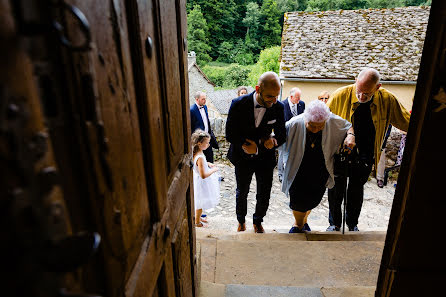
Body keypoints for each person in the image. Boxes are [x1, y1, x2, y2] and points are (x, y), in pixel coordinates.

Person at [326, 68, 411, 232]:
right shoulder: (340, 95)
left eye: (367, 93)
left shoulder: (387, 99)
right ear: (355, 80)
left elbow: (406, 121)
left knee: (356, 191)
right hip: (340, 153)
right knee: (336, 189)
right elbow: (324, 120)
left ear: (377, 87)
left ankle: (352, 225)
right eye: (359, 91)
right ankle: (334, 224)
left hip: (366, 154)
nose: (362, 96)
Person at [226, 72, 286, 233]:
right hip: (242, 157)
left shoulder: (279, 107)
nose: (274, 101)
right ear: (258, 89)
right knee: (242, 191)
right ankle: (241, 220)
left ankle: (258, 221)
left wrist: (271, 140)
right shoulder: (238, 103)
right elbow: (230, 134)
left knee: (264, 192)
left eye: (276, 96)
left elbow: (282, 136)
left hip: (265, 159)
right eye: (270, 96)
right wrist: (249, 145)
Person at [282, 100, 354, 233]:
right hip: (299, 168)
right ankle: (297, 224)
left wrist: (350, 136)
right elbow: (280, 138)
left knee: (313, 199)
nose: (315, 130)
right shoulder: (294, 123)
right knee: (298, 200)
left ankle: (303, 221)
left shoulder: (331, 120)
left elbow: (348, 126)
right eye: (312, 126)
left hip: (320, 167)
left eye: (320, 126)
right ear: (305, 119)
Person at [191, 129, 220, 227]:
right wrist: (213, 170)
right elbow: (203, 175)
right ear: (199, 144)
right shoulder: (200, 156)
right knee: (200, 201)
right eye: (207, 143)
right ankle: (197, 222)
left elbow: (199, 165)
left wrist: (207, 164)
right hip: (201, 182)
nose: (208, 145)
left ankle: (198, 217)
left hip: (197, 179)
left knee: (200, 200)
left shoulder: (196, 153)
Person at [278, 87, 306, 182]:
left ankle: (292, 172)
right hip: (285, 133)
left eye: (300, 97)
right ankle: (281, 174)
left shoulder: (302, 104)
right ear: (291, 96)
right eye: (297, 97)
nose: (299, 99)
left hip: (297, 134)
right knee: (282, 154)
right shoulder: (282, 105)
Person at [190, 91, 219, 163]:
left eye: (205, 99)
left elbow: (206, 121)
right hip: (198, 141)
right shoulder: (191, 110)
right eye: (203, 99)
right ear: (197, 99)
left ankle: (210, 173)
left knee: (210, 158)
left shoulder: (205, 107)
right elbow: (190, 127)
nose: (205, 101)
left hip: (207, 138)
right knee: (199, 160)